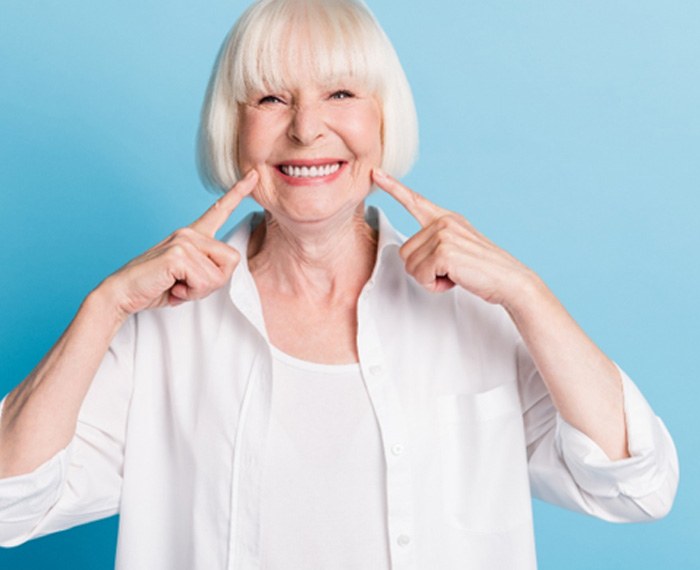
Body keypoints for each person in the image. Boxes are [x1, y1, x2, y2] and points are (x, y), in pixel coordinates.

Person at [0, 0, 679, 568]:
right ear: (235, 129)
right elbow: (8, 507)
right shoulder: (158, 332)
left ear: (383, 120)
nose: (305, 127)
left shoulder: (476, 313)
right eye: (271, 97)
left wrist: (527, 294)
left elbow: (636, 486)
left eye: (341, 93)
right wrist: (105, 304)